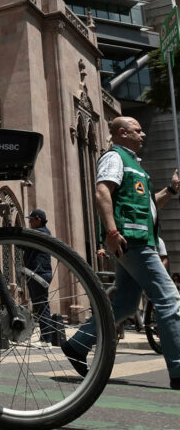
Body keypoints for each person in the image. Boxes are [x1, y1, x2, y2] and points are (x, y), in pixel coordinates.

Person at [62, 116, 180, 390]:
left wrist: (172, 189)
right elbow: (103, 190)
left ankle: (78, 344)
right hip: (132, 242)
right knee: (169, 298)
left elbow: (151, 207)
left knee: (125, 305)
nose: (143, 135)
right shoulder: (114, 158)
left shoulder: (135, 166)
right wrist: (112, 232)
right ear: (123, 133)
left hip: (139, 241)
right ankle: (178, 369)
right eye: (138, 131)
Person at [24, 209, 55, 347]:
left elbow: (22, 243)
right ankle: (45, 337)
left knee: (42, 306)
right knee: (40, 306)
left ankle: (46, 340)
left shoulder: (41, 233)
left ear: (38, 220)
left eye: (31, 219)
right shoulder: (42, 232)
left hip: (39, 274)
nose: (29, 222)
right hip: (38, 273)